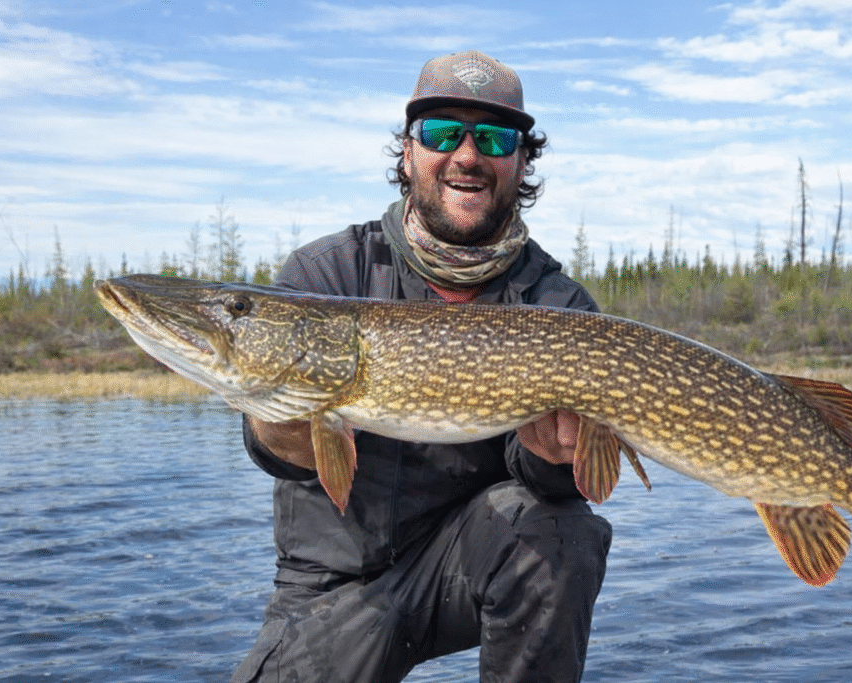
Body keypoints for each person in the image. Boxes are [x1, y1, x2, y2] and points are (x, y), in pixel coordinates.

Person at [230, 51, 613, 683]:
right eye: (441, 132)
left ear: (523, 161)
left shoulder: (556, 306)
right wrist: (278, 416)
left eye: (494, 138)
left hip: (467, 566)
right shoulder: (327, 275)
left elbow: (559, 489)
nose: (467, 154)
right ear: (408, 153)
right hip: (332, 587)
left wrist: (556, 458)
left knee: (562, 530)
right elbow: (277, 455)